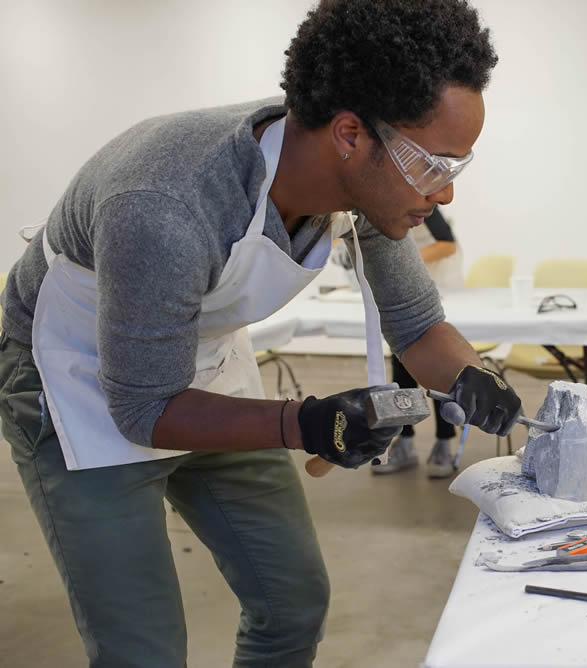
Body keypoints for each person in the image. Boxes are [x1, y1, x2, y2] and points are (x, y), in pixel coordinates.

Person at [0, 1, 522, 666]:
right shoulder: (166, 201)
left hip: (202, 366)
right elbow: (141, 407)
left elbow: (417, 324)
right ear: (350, 134)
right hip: (77, 379)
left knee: (292, 604)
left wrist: (472, 376)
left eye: (455, 169)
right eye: (434, 166)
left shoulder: (364, 187)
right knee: (142, 650)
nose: (444, 195)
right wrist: (306, 424)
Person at [375, 207, 466, 476]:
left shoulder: (422, 204)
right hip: (404, 295)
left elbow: (447, 244)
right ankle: (404, 441)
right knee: (401, 365)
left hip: (436, 291)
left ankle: (443, 442)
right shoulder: (383, 208)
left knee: (439, 367)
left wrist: (407, 262)